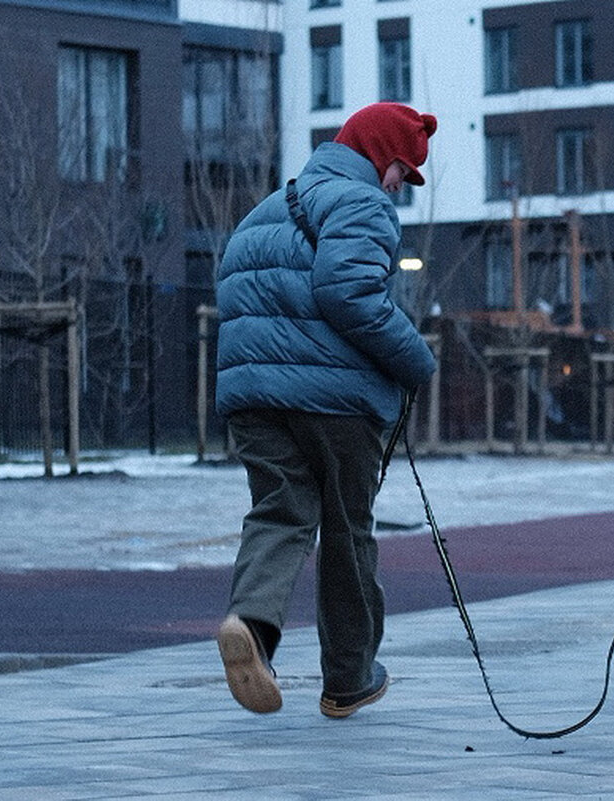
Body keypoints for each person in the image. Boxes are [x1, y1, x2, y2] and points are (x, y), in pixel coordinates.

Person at [214, 102, 438, 718]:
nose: (400, 186)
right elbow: (347, 293)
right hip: (335, 403)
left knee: (279, 512)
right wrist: (415, 360)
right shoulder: (363, 204)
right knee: (346, 529)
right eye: (401, 170)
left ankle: (251, 627)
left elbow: (236, 296)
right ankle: (349, 677)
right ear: (377, 154)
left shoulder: (264, 210)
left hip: (253, 398)